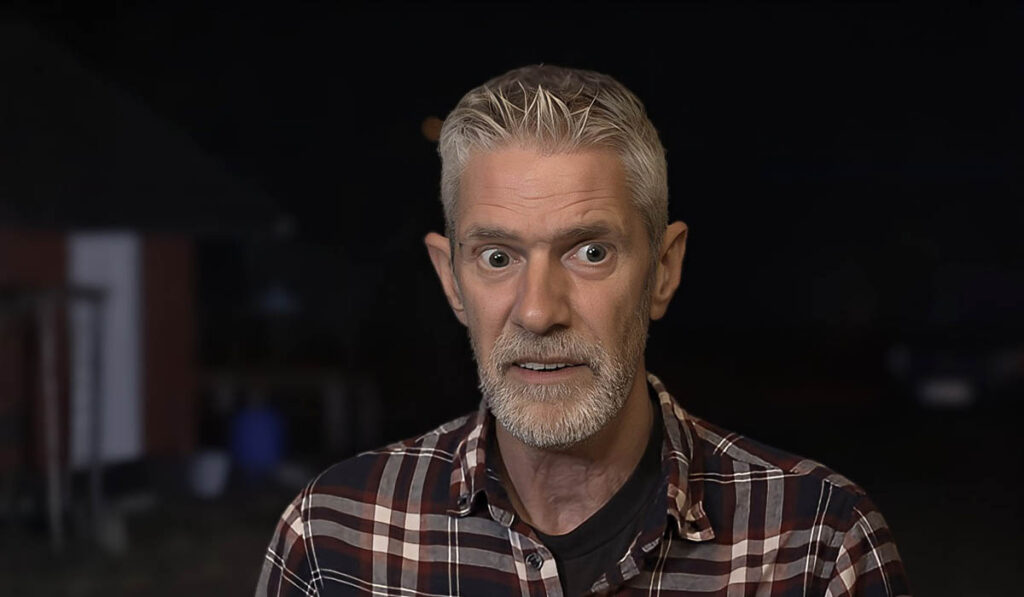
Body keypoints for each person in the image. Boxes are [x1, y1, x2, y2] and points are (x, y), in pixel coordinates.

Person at [256, 65, 910, 596]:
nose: (539, 311)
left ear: (662, 269)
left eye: (590, 252)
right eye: (497, 256)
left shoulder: (817, 547)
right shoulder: (334, 539)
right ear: (451, 278)